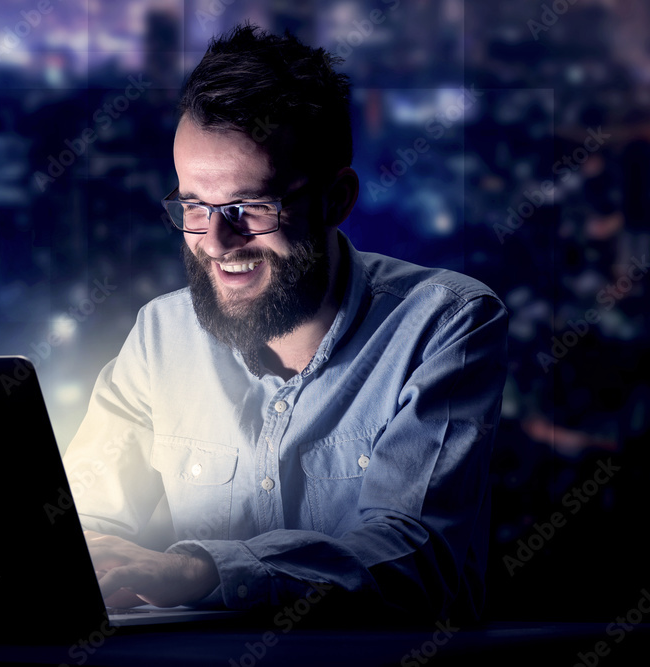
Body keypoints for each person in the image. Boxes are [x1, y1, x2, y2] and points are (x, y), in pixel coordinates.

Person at [62, 24, 508, 622]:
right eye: (194, 205)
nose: (216, 241)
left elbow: (416, 558)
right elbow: (81, 521)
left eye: (253, 207)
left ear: (337, 200)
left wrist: (203, 571)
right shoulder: (160, 336)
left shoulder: (445, 325)